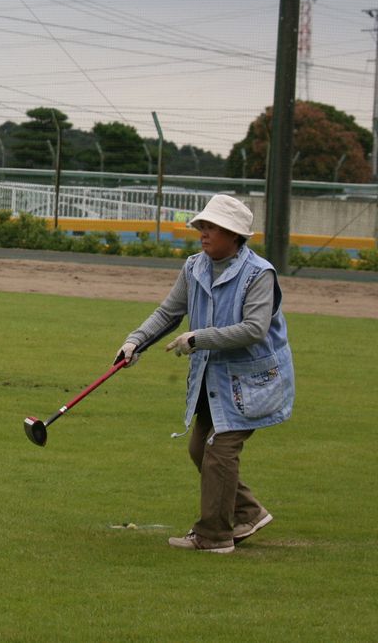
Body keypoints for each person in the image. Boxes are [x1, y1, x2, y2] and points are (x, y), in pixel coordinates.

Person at [116, 194, 294, 553]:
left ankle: (214, 536)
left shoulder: (259, 274)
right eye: (202, 226)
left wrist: (199, 338)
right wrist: (135, 342)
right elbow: (168, 313)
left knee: (218, 451)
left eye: (212, 227)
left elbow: (254, 329)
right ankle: (249, 511)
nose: (203, 233)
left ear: (234, 234)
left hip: (252, 383)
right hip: (212, 382)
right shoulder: (194, 267)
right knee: (201, 449)